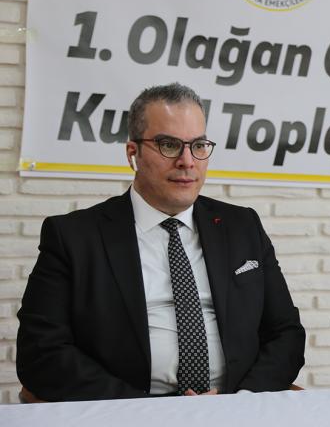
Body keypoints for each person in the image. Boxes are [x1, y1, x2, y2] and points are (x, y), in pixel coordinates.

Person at [17, 83, 305, 401]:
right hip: (130, 411)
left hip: (233, 405)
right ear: (133, 154)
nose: (187, 161)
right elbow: (40, 351)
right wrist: (145, 411)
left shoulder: (243, 226)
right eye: (169, 145)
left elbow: (286, 333)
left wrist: (243, 400)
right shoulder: (73, 236)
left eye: (198, 146)